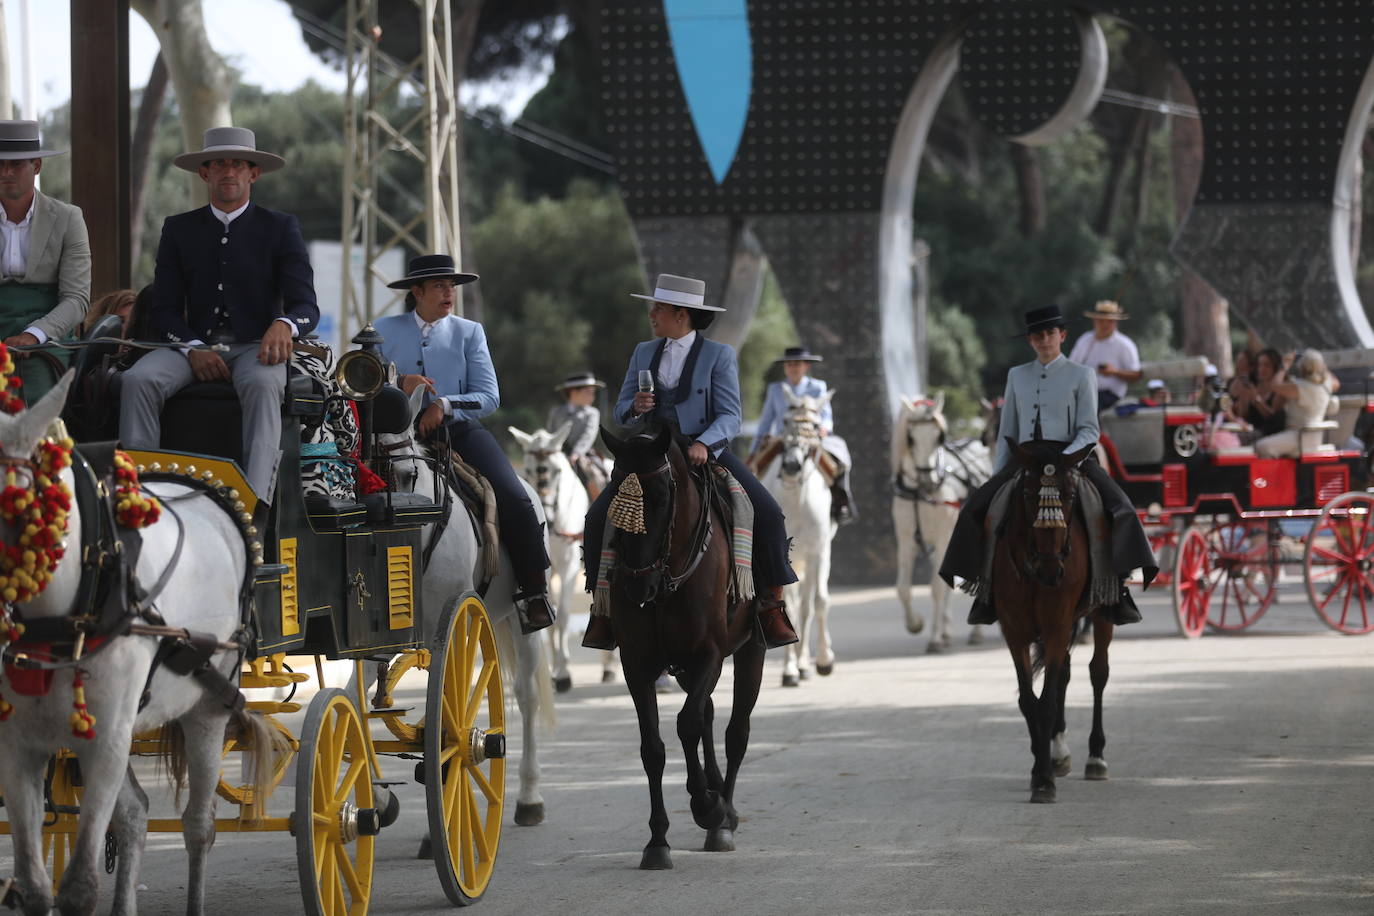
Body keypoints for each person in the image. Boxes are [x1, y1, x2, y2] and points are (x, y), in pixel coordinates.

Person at [581, 273, 799, 651]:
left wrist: (705, 443)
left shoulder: (719, 355)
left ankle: (769, 606)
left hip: (702, 451)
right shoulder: (642, 352)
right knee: (598, 516)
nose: (652, 314)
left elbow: (730, 415)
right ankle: (602, 610)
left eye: (659, 308)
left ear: (681, 314)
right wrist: (634, 408)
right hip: (651, 452)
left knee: (768, 513)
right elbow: (619, 412)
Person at [120, 127, 318, 500]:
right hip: (192, 346)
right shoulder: (178, 228)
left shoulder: (280, 227)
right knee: (138, 381)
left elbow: (306, 306)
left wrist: (285, 325)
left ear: (253, 173)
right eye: (220, 164)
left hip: (256, 347)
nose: (229, 171)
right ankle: (139, 496)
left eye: (238, 164)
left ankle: (255, 508)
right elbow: (163, 309)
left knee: (262, 386)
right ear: (205, 173)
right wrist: (193, 347)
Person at [939, 304, 1157, 626]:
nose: (1044, 340)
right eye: (1037, 335)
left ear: (1062, 335)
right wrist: (1000, 474)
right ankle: (985, 590)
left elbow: (1089, 428)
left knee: (1120, 507)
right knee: (975, 509)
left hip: (1073, 456)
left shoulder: (1083, 375)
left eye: (1049, 333)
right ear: (1030, 341)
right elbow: (1007, 431)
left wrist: (1068, 457)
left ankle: (1116, 592)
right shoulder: (1017, 376)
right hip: (1024, 457)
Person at [374, 253, 555, 635]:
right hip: (392, 439)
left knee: (517, 498)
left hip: (458, 432)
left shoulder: (469, 332)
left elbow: (489, 396)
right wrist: (395, 383)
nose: (449, 292)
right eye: (440, 285)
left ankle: (533, 593)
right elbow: (360, 388)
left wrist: (445, 403)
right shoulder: (382, 330)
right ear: (417, 291)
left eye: (451, 286)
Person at [0, 120, 91, 403]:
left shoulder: (67, 218)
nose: (6, 173)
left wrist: (35, 334)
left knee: (35, 401)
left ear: (36, 165)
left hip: (46, 333)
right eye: (0, 164)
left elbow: (76, 299)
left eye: (16, 165)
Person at [748, 345, 855, 522]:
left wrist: (824, 429)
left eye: (797, 364)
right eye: (789, 364)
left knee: (839, 461)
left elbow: (826, 415)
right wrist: (753, 452)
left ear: (806, 366)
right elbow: (765, 423)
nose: (792, 368)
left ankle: (841, 502)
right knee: (754, 468)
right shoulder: (776, 389)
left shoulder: (818, 387)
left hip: (811, 438)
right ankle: (752, 507)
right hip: (783, 438)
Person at [1255, 349, 1337, 458]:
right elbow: (1336, 382)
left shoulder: (1301, 387)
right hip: (1314, 438)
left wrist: (1284, 366)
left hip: (1298, 436)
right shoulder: (1326, 385)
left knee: (1261, 446)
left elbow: (1274, 385)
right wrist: (1318, 363)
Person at [1068, 300, 1141, 411]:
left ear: (1116, 322)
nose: (1105, 324)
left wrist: (1114, 372)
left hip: (1110, 395)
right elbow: (1071, 367)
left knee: (1087, 406)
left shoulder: (1124, 344)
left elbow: (1136, 375)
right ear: (1095, 320)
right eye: (1102, 320)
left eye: (1110, 321)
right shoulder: (1085, 340)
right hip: (1084, 392)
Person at [547, 372, 609, 495]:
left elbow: (588, 435)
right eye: (589, 392)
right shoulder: (556, 412)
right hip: (558, 453)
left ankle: (597, 506)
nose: (593, 396)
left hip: (582, 455)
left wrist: (576, 453)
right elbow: (551, 434)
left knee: (597, 475)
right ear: (574, 392)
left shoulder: (592, 413)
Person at [1242, 347, 1287, 438]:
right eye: (1259, 365)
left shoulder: (1280, 390)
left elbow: (1273, 420)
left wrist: (1257, 399)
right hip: (1250, 431)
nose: (1261, 369)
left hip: (1268, 436)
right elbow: (1243, 415)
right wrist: (1244, 399)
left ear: (1275, 367)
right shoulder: (1255, 386)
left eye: (1267, 365)